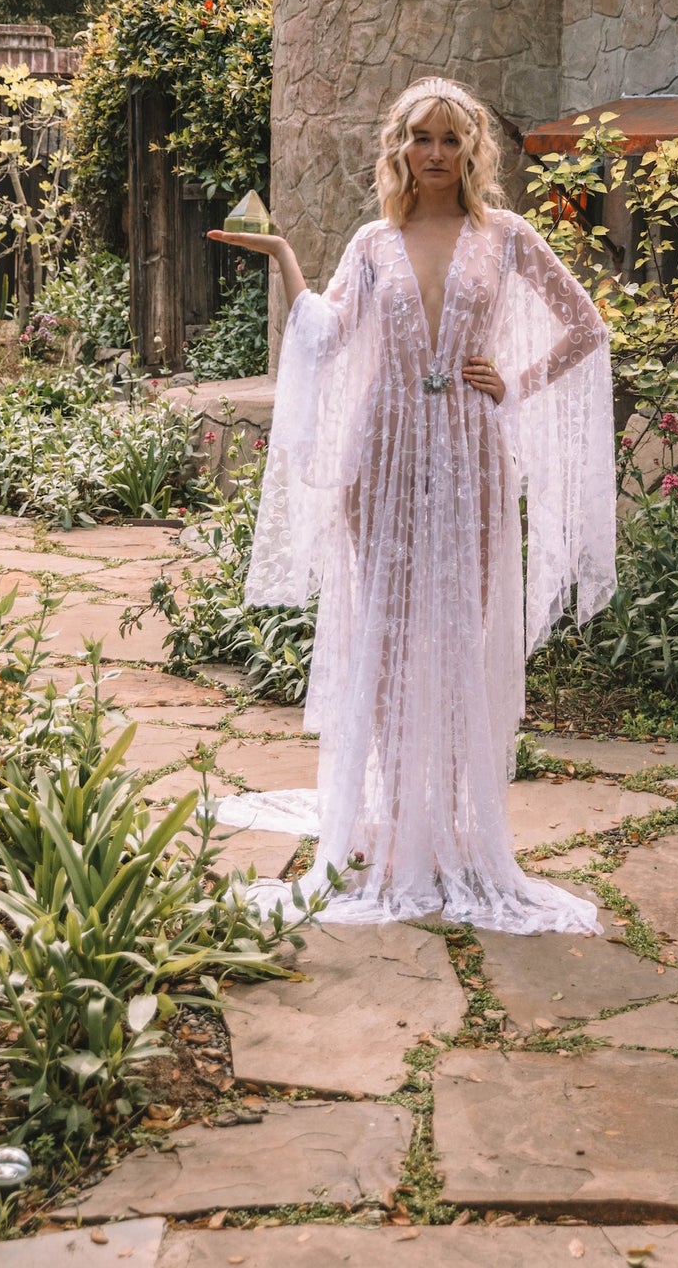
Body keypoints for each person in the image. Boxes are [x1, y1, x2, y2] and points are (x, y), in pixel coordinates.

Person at [208, 77, 615, 934]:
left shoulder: (506, 236)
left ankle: (457, 827)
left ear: (472, 150)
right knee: (387, 637)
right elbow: (326, 335)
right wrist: (283, 258)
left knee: (462, 631)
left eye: (450, 138)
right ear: (400, 148)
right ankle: (396, 825)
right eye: (420, 137)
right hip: (383, 454)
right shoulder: (373, 241)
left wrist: (516, 382)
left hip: (471, 452)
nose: (435, 152)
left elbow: (585, 327)